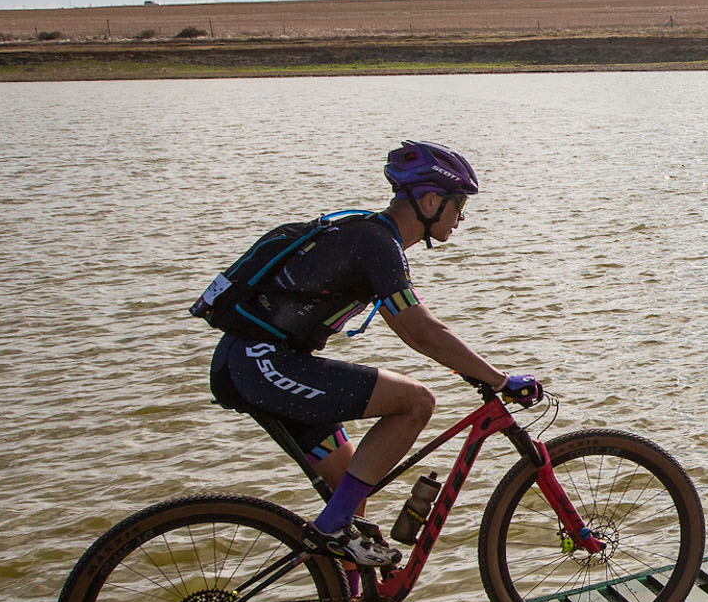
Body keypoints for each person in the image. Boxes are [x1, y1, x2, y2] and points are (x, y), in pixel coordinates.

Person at [207, 140, 542, 568]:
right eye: (459, 206)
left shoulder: (366, 235)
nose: (461, 218)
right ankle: (330, 529)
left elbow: (418, 332)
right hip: (264, 362)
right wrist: (498, 379)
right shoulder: (376, 243)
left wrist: (470, 367)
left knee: (352, 503)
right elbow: (420, 331)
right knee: (416, 401)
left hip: (251, 361)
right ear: (432, 200)